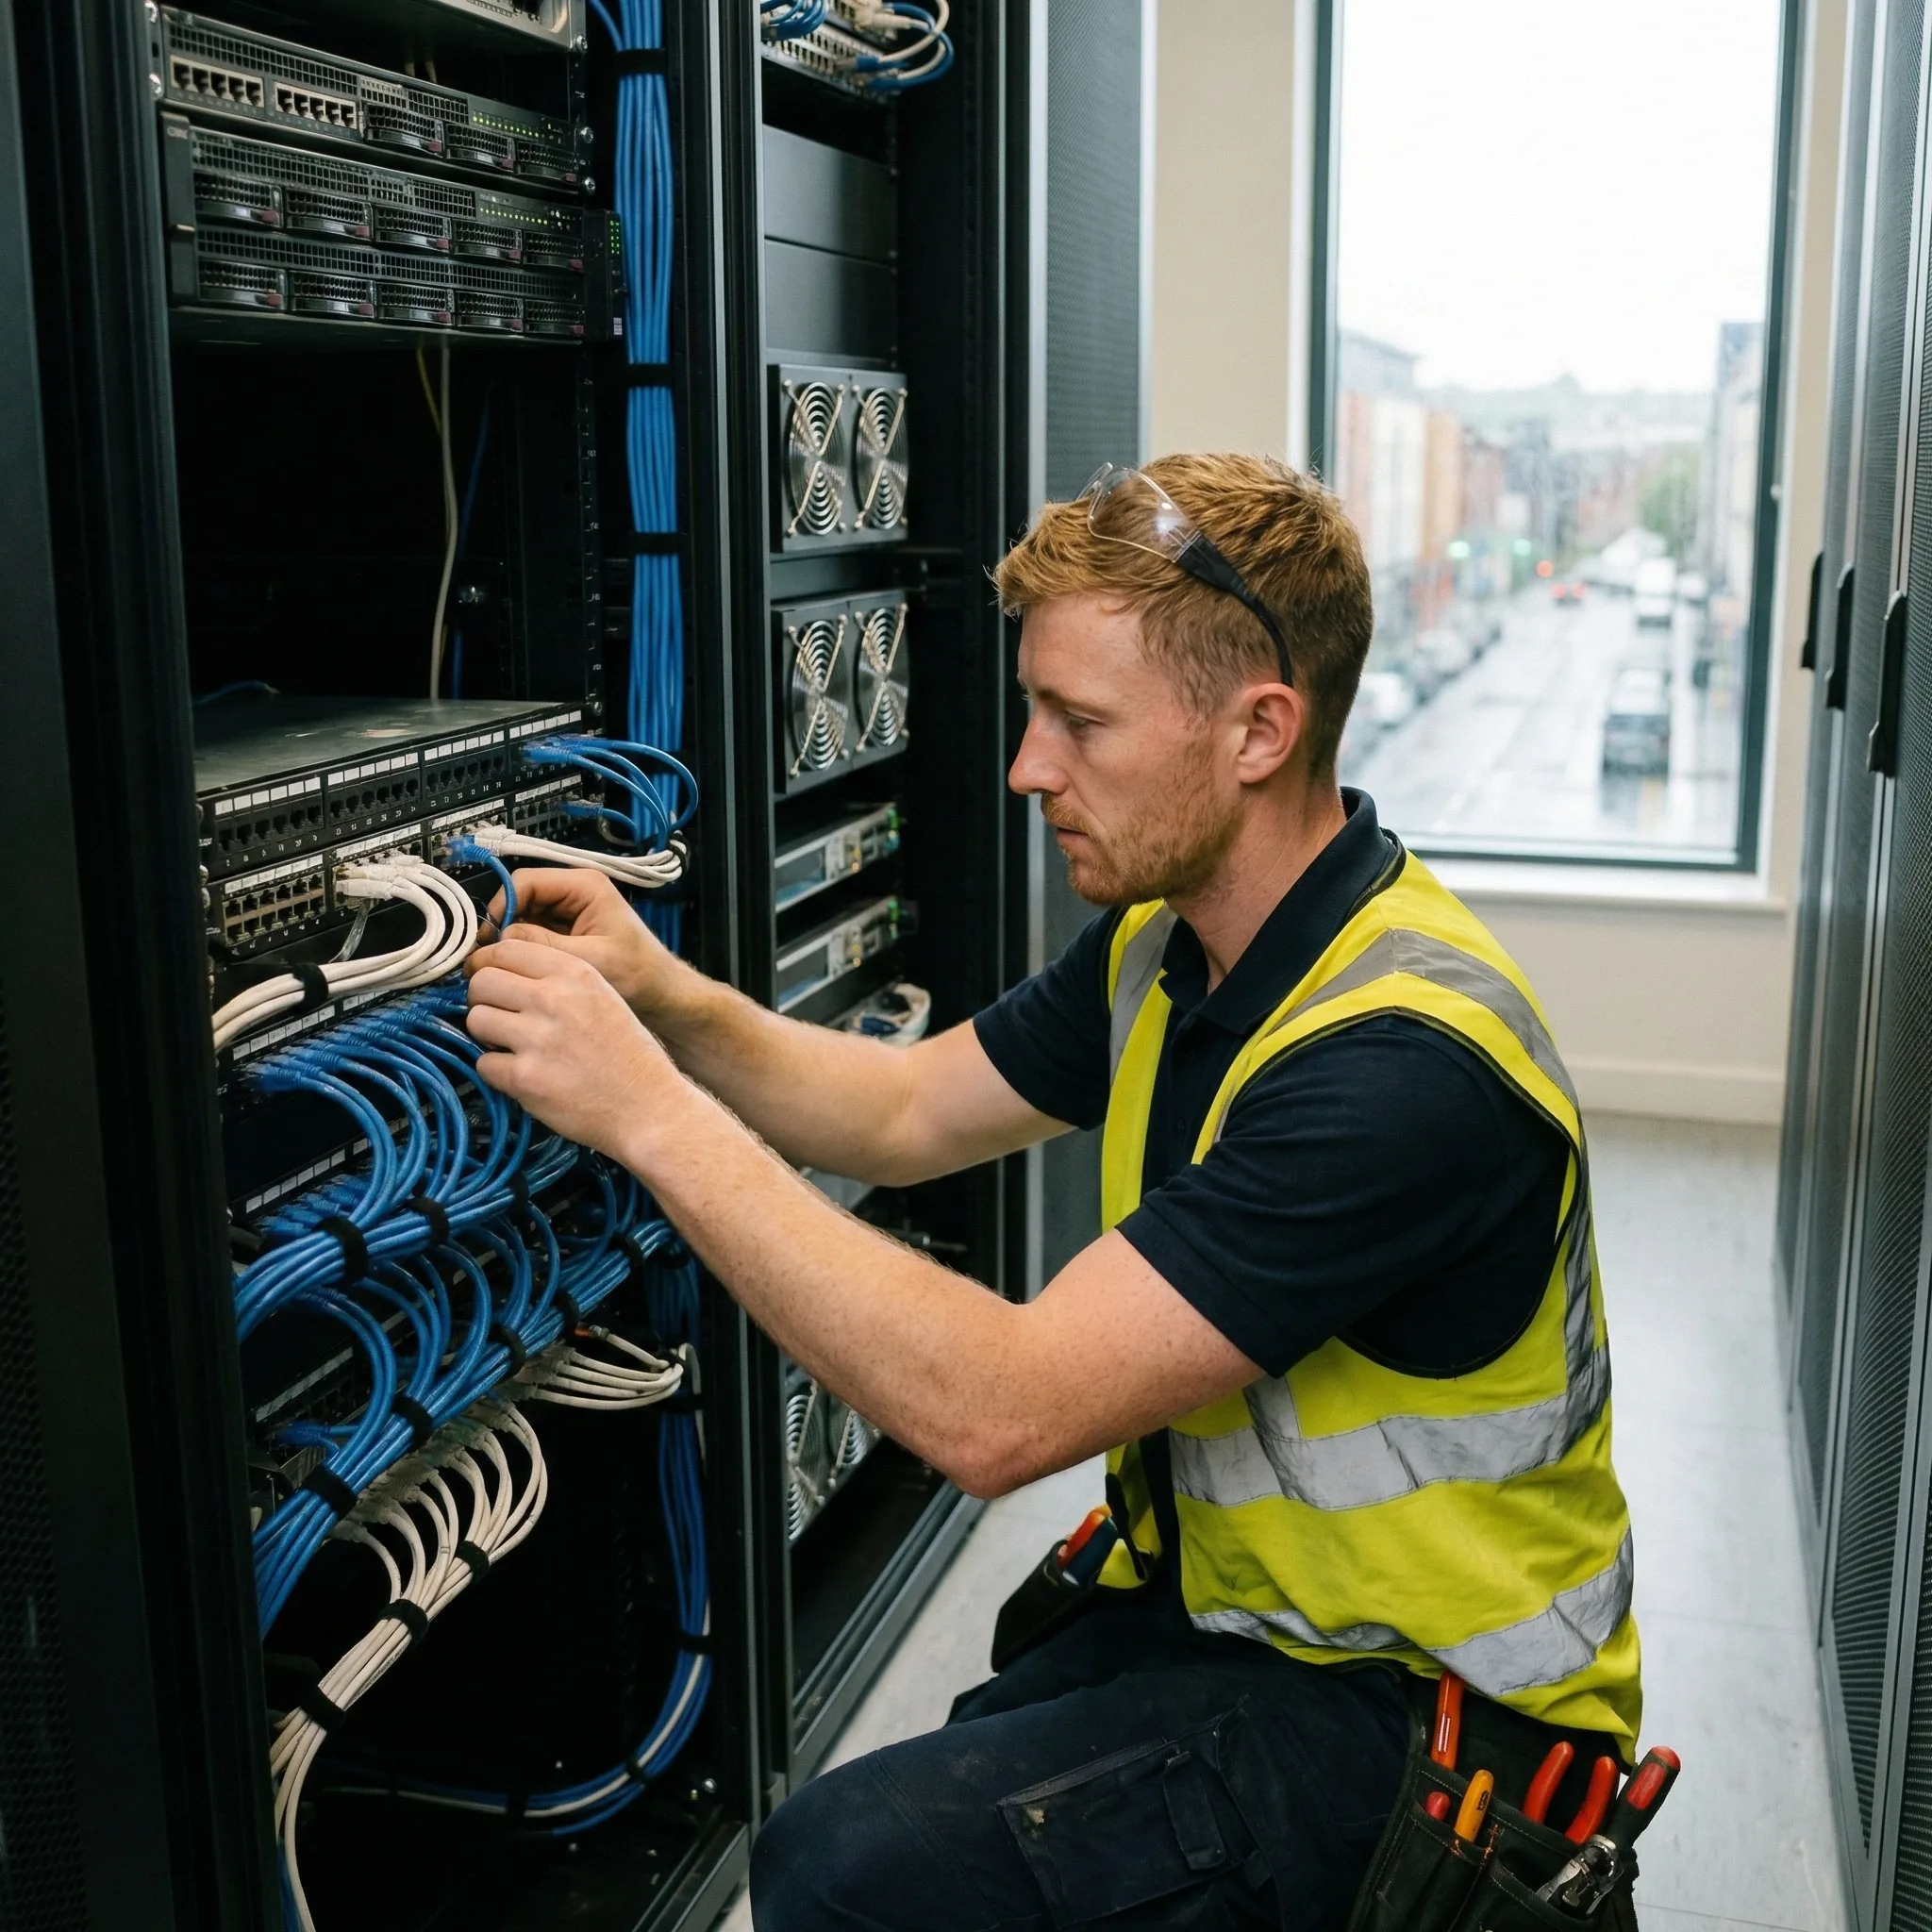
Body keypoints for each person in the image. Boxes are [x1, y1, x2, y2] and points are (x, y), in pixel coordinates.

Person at [464, 452, 1641, 1930]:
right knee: (938, 1789)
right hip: (1255, 1623)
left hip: (1440, 1733)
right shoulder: (1177, 942)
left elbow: (996, 1412)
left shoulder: (1402, 1067)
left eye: (1080, 722)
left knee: (844, 1872)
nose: (1027, 766)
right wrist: (664, 995)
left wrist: (640, 1111)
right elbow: (898, 1109)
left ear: (1259, 731)